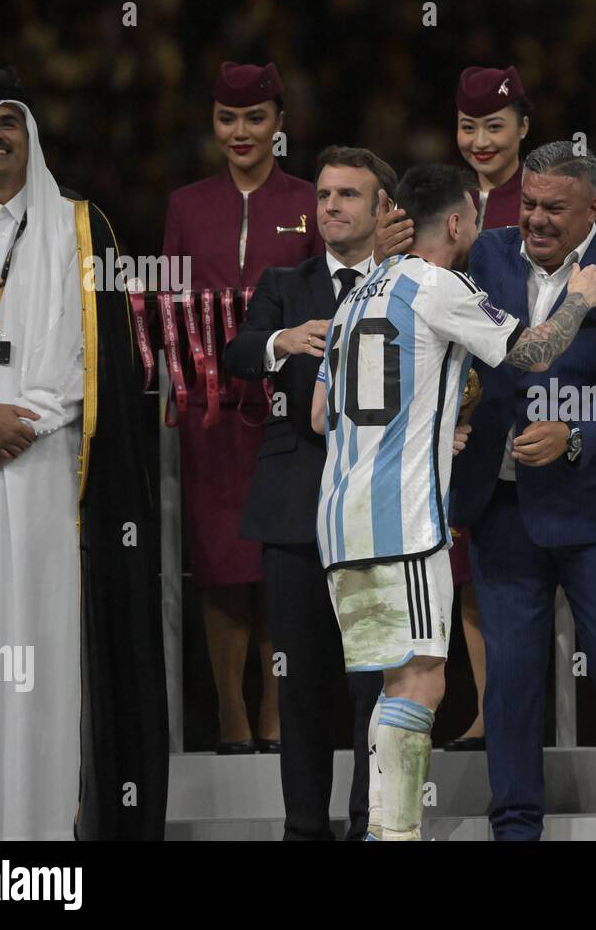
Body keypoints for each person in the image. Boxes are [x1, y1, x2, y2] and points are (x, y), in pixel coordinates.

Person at [310, 162, 596, 840]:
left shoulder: (357, 293)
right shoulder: (436, 284)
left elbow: (321, 410)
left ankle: (383, 831)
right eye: (476, 218)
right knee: (422, 686)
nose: (482, 229)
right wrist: (580, 298)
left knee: (394, 685)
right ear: (455, 222)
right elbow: (533, 351)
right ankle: (397, 837)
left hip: (339, 518)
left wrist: (427, 425)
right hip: (402, 519)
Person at [0, 66, 165, 840]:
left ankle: (46, 835)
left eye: (8, 121)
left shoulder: (80, 226)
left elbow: (100, 357)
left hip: (52, 477)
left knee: (51, 652)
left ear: (30, 134)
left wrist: (17, 420)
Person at [445, 141, 596, 841]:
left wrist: (571, 435)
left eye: (555, 208)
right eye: (529, 204)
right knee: (511, 675)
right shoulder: (483, 255)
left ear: (593, 209)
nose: (537, 219)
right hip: (502, 508)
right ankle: (516, 825)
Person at [223, 146, 397, 839]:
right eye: (324, 195)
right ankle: (303, 829)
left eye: (349, 195)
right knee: (300, 684)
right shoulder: (282, 284)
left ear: (382, 208)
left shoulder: (405, 283)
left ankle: (367, 826)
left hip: (380, 513)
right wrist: (280, 342)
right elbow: (237, 353)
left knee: (374, 686)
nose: (331, 207)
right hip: (296, 508)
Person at [163, 61, 322, 754]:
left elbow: (325, 300)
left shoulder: (314, 199)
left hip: (290, 411)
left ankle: (279, 709)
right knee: (222, 563)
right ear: (213, 123)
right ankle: (229, 714)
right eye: (228, 118)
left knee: (282, 559)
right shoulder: (186, 204)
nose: (241, 132)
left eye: (256, 118)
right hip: (212, 414)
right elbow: (168, 310)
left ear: (279, 124)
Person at [445, 64, 533, 751]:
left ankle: (523, 713)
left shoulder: (542, 200)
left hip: (526, 409)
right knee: (465, 568)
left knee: (523, 570)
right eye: (469, 126)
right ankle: (484, 710)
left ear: (523, 130)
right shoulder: (437, 201)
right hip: (449, 413)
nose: (480, 140)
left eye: (494, 127)